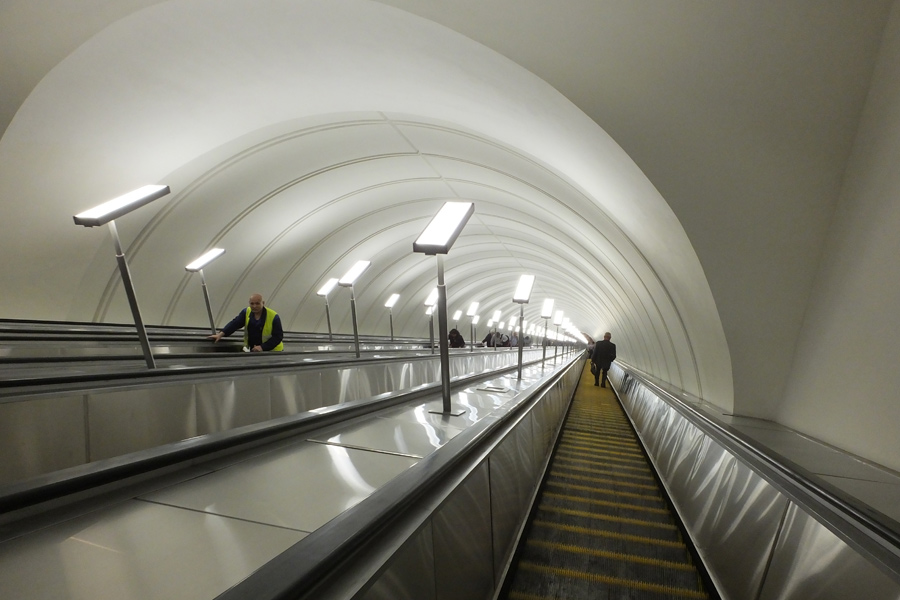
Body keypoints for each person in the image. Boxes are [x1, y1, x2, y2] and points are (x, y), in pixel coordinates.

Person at [208, 293, 284, 351]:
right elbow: (235, 323)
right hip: (254, 350)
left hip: (273, 352)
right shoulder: (246, 312)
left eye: (257, 303)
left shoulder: (274, 316)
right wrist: (221, 334)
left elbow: (278, 337)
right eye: (252, 303)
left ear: (263, 303)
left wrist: (262, 347)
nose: (254, 306)